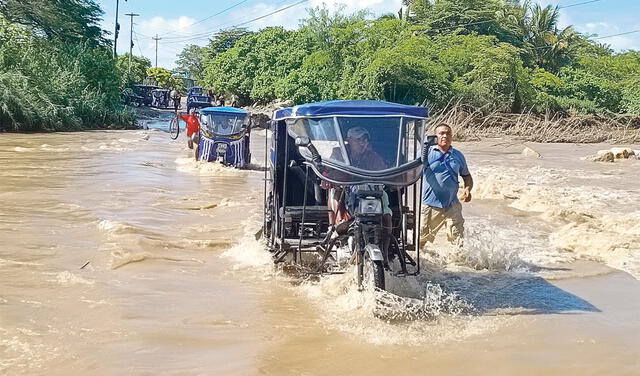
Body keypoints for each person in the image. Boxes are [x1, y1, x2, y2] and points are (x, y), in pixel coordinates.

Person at [420, 123, 473, 247]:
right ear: (435, 136)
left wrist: (467, 189)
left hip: (452, 205)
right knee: (421, 242)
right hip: (430, 205)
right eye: (441, 133)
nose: (445, 136)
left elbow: (467, 176)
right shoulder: (427, 153)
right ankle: (423, 264)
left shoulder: (458, 156)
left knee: (458, 241)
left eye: (448, 133)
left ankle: (458, 265)